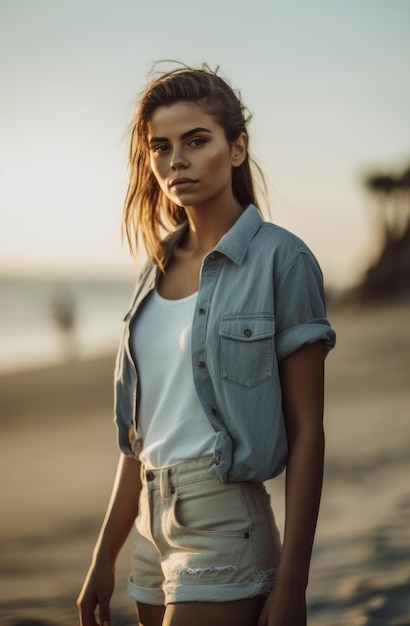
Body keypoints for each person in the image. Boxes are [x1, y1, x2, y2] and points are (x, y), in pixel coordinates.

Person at [77, 64, 336, 626]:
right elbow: (139, 438)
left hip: (225, 519)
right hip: (149, 526)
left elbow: (308, 429)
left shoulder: (281, 260)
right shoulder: (153, 272)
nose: (177, 161)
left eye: (197, 141)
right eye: (161, 147)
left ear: (236, 148)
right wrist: (105, 554)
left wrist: (293, 581)